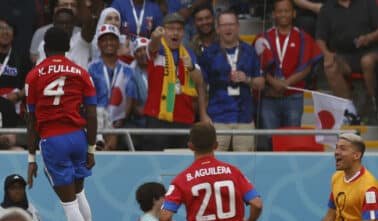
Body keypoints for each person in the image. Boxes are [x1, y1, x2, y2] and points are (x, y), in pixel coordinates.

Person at [25, 27, 106, 221]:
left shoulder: (34, 75)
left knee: (68, 204)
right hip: (78, 137)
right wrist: (91, 147)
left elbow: (31, 119)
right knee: (80, 193)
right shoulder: (82, 73)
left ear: (45, 48)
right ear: (68, 48)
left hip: (53, 138)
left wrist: (31, 158)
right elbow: (91, 114)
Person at [254, 0, 322, 151]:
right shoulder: (263, 38)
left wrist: (286, 83)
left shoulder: (303, 37)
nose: (283, 14)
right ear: (273, 14)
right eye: (279, 11)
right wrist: (274, 83)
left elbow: (307, 68)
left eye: (287, 11)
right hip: (269, 97)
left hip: (294, 97)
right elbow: (258, 66)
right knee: (270, 141)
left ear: (294, 13)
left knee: (292, 141)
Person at [198, 10, 264, 152]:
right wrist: (203, 114)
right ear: (218, 28)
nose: (228, 28)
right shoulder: (208, 54)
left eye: (231, 24)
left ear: (238, 27)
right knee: (215, 164)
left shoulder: (249, 51)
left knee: (244, 165)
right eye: (224, 25)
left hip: (244, 117)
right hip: (218, 116)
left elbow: (261, 82)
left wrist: (247, 79)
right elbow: (201, 85)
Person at [144, 13, 209, 151]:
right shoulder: (158, 50)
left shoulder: (188, 53)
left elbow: (199, 81)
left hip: (184, 118)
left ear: (183, 33)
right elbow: (152, 46)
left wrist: (191, 67)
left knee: (182, 165)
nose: (175, 32)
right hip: (158, 118)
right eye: (171, 28)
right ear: (164, 31)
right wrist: (155, 36)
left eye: (179, 29)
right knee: (156, 163)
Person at [316, 0, 378, 119]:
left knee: (367, 61)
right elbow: (320, 38)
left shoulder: (368, 3)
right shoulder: (326, 8)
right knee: (330, 67)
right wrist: (327, 54)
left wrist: (369, 38)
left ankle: (373, 104)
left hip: (371, 50)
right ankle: (349, 111)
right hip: (343, 56)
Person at [87, 24, 137, 151]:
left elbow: (130, 98)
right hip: (96, 120)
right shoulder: (91, 68)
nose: (108, 43)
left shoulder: (128, 70)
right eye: (104, 40)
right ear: (98, 43)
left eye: (112, 39)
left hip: (120, 121)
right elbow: (87, 97)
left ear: (118, 42)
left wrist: (120, 122)